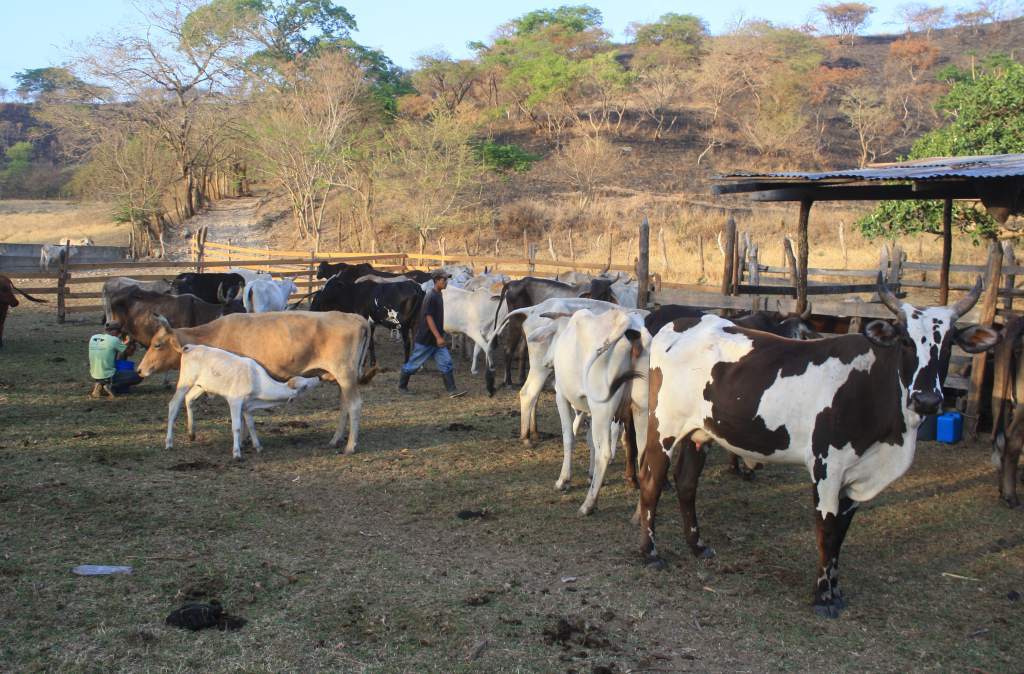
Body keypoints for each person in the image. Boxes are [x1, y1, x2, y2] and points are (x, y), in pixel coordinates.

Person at [398, 270, 466, 397]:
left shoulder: (439, 295)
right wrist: (438, 337)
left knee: (446, 363)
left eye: (447, 279)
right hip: (426, 339)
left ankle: (452, 390)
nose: (446, 282)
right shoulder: (431, 296)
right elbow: (428, 317)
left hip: (436, 340)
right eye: (444, 280)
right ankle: (402, 386)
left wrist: (440, 337)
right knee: (413, 365)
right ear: (437, 281)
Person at [88, 322, 142, 398]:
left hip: (95, 375)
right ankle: (111, 386)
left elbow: (109, 346)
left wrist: (124, 343)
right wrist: (130, 341)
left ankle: (100, 383)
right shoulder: (114, 340)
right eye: (119, 333)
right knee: (139, 376)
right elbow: (129, 353)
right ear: (116, 331)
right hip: (109, 375)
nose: (119, 335)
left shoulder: (93, 337)